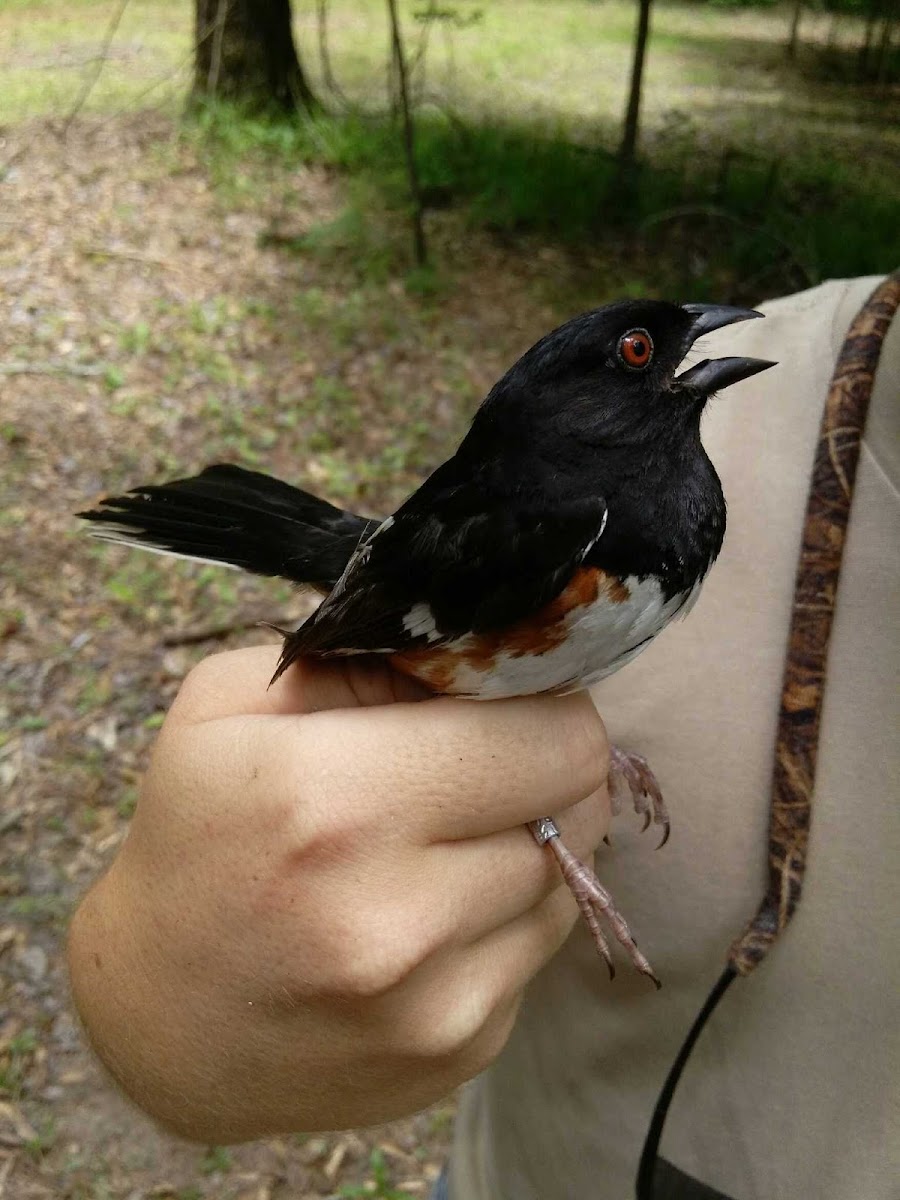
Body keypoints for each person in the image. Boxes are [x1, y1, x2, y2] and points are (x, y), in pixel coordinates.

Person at [67, 277, 899, 1200]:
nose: (697, 343)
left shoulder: (685, 488)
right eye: (640, 352)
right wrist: (544, 820)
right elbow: (415, 631)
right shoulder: (547, 521)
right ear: (576, 405)